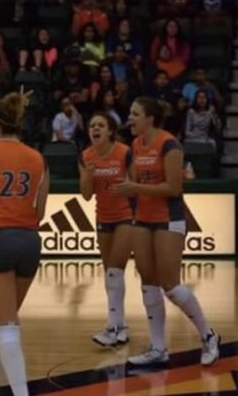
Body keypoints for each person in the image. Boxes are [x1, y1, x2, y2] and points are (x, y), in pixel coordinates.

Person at [112, 97, 220, 366]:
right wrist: (128, 190)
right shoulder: (136, 145)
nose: (130, 118)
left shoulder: (170, 144)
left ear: (150, 118)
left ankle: (208, 335)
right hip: (143, 218)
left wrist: (136, 189)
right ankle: (158, 347)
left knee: (170, 285)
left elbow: (174, 188)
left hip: (168, 218)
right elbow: (137, 183)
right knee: (147, 281)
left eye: (135, 114)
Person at [0, 90, 50, 396]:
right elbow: (40, 211)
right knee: (7, 321)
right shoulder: (38, 158)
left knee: (5, 327)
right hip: (30, 242)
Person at [79, 112, 133, 347]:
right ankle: (121, 326)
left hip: (126, 216)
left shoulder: (124, 152)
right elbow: (86, 195)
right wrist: (89, 175)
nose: (95, 129)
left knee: (115, 270)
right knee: (110, 273)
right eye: (92, 125)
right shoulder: (86, 156)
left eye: (100, 125)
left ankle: (112, 327)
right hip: (103, 217)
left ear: (110, 131)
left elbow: (134, 187)